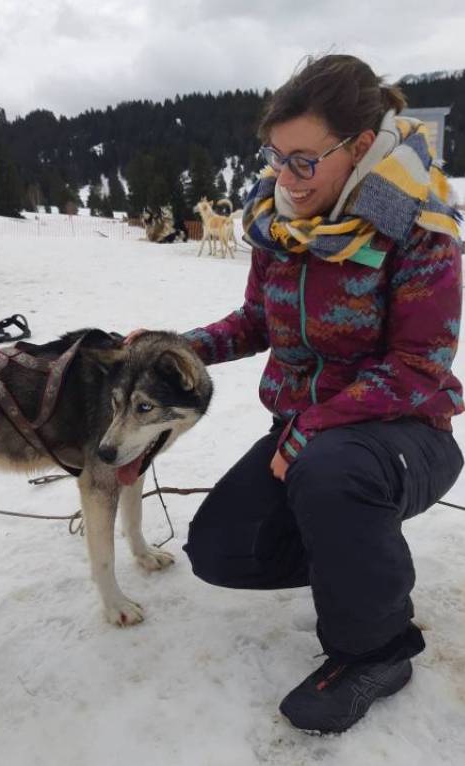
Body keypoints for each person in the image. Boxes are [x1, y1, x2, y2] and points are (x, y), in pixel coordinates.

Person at [126, 54, 464, 734]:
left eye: (304, 160)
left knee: (332, 477)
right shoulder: (281, 225)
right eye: (275, 156)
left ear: (361, 147)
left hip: (404, 434)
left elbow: (419, 365)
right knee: (223, 549)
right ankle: (358, 560)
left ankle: (378, 647)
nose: (284, 176)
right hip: (310, 440)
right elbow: (258, 320)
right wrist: (179, 345)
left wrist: (314, 432)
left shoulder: (416, 229)